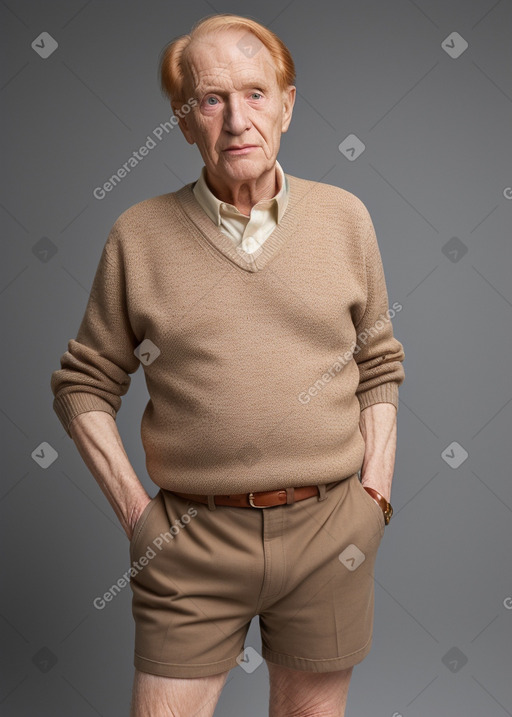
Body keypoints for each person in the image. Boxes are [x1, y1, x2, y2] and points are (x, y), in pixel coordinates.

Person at [50, 13, 405, 717]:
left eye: (256, 93)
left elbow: (379, 361)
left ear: (288, 104)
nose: (238, 119)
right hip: (189, 541)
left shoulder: (346, 219)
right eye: (211, 99)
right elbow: (82, 383)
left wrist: (374, 499)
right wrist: (138, 517)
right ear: (185, 122)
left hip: (330, 530)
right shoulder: (138, 235)